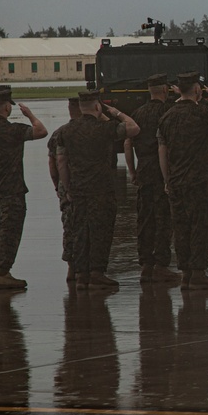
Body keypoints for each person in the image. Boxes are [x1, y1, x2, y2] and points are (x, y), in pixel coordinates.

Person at [158, 72, 208, 290]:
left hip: (176, 181)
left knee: (181, 228)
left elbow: (162, 151)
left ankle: (185, 273)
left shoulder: (167, 116)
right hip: (200, 180)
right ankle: (199, 273)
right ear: (197, 90)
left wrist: (167, 179)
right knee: (201, 227)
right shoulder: (202, 111)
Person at [56, 91, 139, 289]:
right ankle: (97, 273)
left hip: (77, 190)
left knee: (80, 232)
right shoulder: (105, 128)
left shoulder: (65, 132)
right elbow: (134, 128)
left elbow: (61, 162)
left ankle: (81, 274)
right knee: (100, 231)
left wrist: (67, 188)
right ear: (97, 107)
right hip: (101, 189)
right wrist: (116, 113)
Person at [0, 90, 47, 290]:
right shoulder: (13, 130)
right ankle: (4, 273)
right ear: (7, 107)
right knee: (9, 232)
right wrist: (29, 115)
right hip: (11, 192)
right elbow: (41, 131)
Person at [125, 74, 181, 283]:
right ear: (165, 90)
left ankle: (146, 264)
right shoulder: (169, 112)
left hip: (144, 169)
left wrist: (132, 171)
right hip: (163, 169)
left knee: (145, 218)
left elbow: (128, 145)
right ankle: (161, 264)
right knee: (163, 218)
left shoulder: (137, 114)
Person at [48, 97, 81, 281]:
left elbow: (53, 165)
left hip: (65, 187)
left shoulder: (58, 133)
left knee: (68, 226)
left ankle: (71, 267)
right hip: (85, 187)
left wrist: (58, 186)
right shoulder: (90, 130)